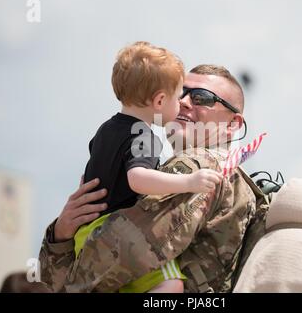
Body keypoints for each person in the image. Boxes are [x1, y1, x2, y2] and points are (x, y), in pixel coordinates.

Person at [39, 64, 257, 292]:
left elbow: (126, 249)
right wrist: (63, 232)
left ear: (233, 124)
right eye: (179, 91)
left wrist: (60, 242)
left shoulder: (201, 168)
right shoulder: (169, 169)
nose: (184, 101)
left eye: (201, 97)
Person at [75, 42, 222, 293]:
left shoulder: (105, 129)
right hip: (122, 235)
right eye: (178, 98)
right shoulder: (144, 134)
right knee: (171, 283)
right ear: (160, 100)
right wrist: (190, 182)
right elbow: (137, 178)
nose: (181, 104)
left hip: (84, 238)